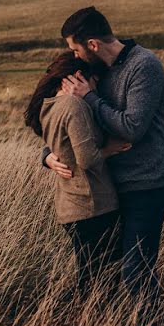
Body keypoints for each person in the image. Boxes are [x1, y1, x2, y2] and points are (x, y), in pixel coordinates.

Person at [39, 6, 164, 306]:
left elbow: (132, 127)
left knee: (136, 271)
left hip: (144, 185)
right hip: (106, 191)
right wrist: (48, 155)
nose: (73, 56)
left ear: (93, 44)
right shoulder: (97, 71)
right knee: (105, 275)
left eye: (75, 49)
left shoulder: (144, 66)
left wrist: (89, 97)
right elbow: (76, 125)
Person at [23, 51, 131, 298]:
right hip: (93, 204)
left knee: (90, 276)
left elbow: (63, 148)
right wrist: (109, 149)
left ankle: (84, 325)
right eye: (94, 82)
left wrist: (47, 157)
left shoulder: (50, 105)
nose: (96, 89)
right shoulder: (74, 106)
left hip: (71, 205)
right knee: (102, 283)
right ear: (80, 78)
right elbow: (87, 159)